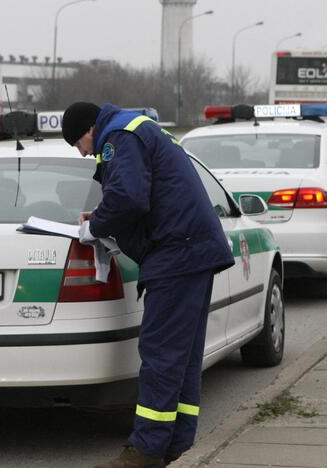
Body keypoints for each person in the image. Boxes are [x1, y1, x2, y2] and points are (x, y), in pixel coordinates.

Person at [62, 102, 235, 468]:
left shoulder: (118, 136)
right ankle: (175, 442)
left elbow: (128, 197)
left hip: (177, 253)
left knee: (160, 354)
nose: (85, 153)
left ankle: (145, 451)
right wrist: (102, 215)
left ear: (89, 129)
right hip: (191, 249)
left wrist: (94, 227)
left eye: (81, 145)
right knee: (182, 356)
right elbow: (148, 193)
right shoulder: (137, 128)